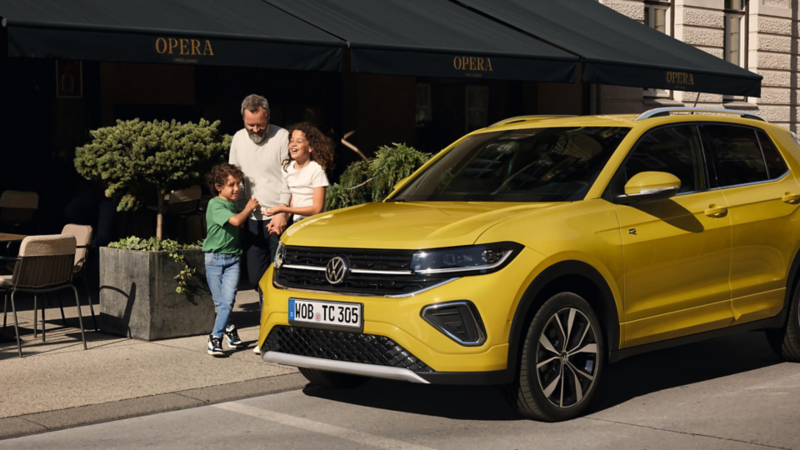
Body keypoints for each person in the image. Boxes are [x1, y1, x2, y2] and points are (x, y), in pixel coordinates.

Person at [228, 94, 292, 354]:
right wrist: (239, 212)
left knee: (279, 278)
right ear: (243, 119)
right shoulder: (237, 138)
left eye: (260, 125)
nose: (255, 130)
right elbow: (235, 177)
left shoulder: (282, 136)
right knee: (256, 277)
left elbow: (289, 176)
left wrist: (284, 211)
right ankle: (270, 327)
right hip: (253, 218)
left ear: (268, 118)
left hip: (277, 217)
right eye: (250, 125)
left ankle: (273, 332)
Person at [203, 163, 259, 356]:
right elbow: (235, 221)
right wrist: (249, 208)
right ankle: (223, 334)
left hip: (233, 260)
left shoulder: (232, 204)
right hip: (215, 260)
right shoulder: (215, 204)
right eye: (231, 185)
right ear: (219, 187)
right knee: (222, 303)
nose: (237, 188)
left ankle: (219, 335)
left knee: (226, 301)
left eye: (238, 184)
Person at [264, 122, 333, 222]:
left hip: (316, 225)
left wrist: (283, 208)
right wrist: (282, 219)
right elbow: (294, 200)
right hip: (298, 224)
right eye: (291, 141)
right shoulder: (288, 168)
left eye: (299, 141)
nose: (293, 144)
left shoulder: (316, 170)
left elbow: (317, 209)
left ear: (310, 147)